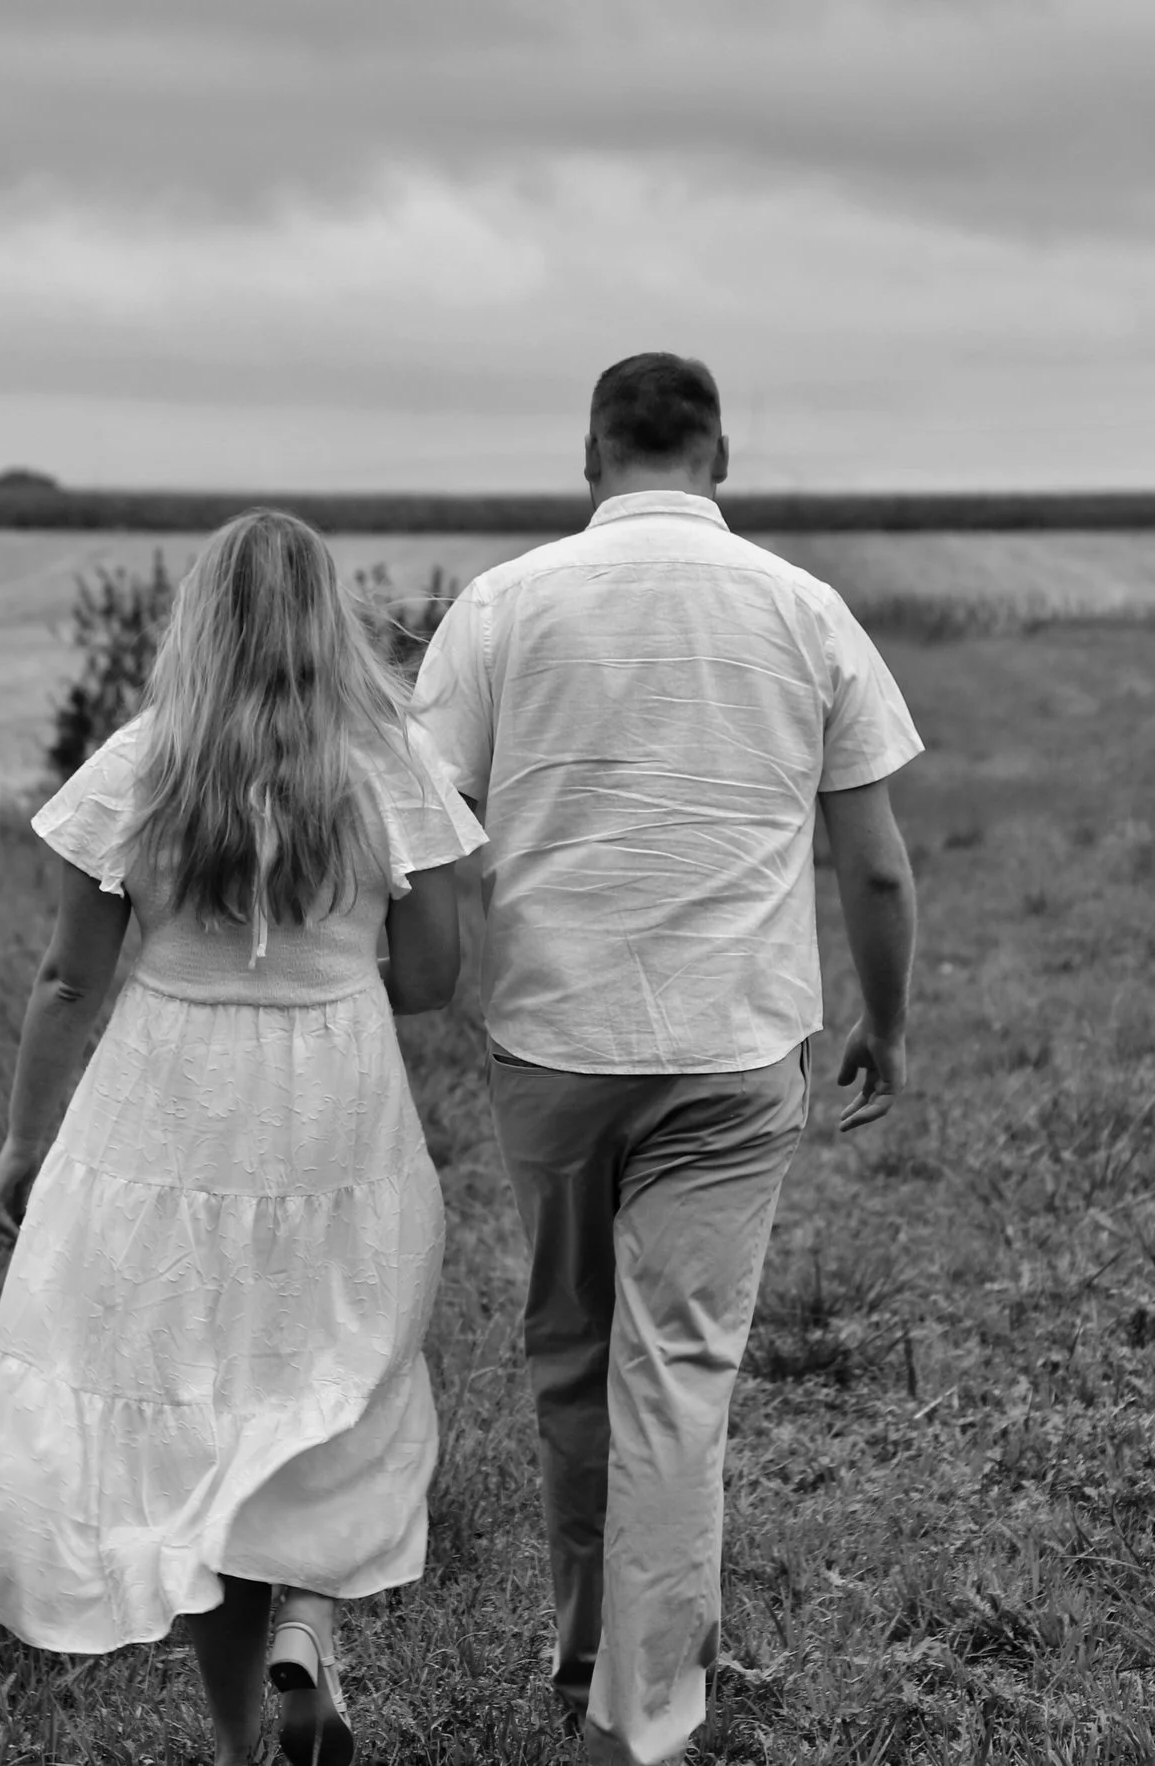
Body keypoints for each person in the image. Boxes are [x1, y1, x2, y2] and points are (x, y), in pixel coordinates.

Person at [413, 353, 922, 1764]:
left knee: (573, 1352)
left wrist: (445, 975)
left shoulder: (502, 605)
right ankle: (639, 1711)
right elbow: (873, 866)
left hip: (555, 1039)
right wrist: (888, 1022)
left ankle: (590, 1641)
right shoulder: (802, 606)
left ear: (589, 454)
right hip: (733, 1039)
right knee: (678, 1370)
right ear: (721, 455)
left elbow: (422, 827)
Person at [0, 508, 486, 1766]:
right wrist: (340, 949)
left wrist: (23, 1142)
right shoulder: (388, 765)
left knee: (205, 1392)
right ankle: (307, 1613)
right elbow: (433, 978)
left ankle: (241, 1740)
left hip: (164, 1100)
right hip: (332, 1093)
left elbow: (69, 981)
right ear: (324, 618)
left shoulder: (141, 761)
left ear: (201, 617)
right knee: (342, 1365)